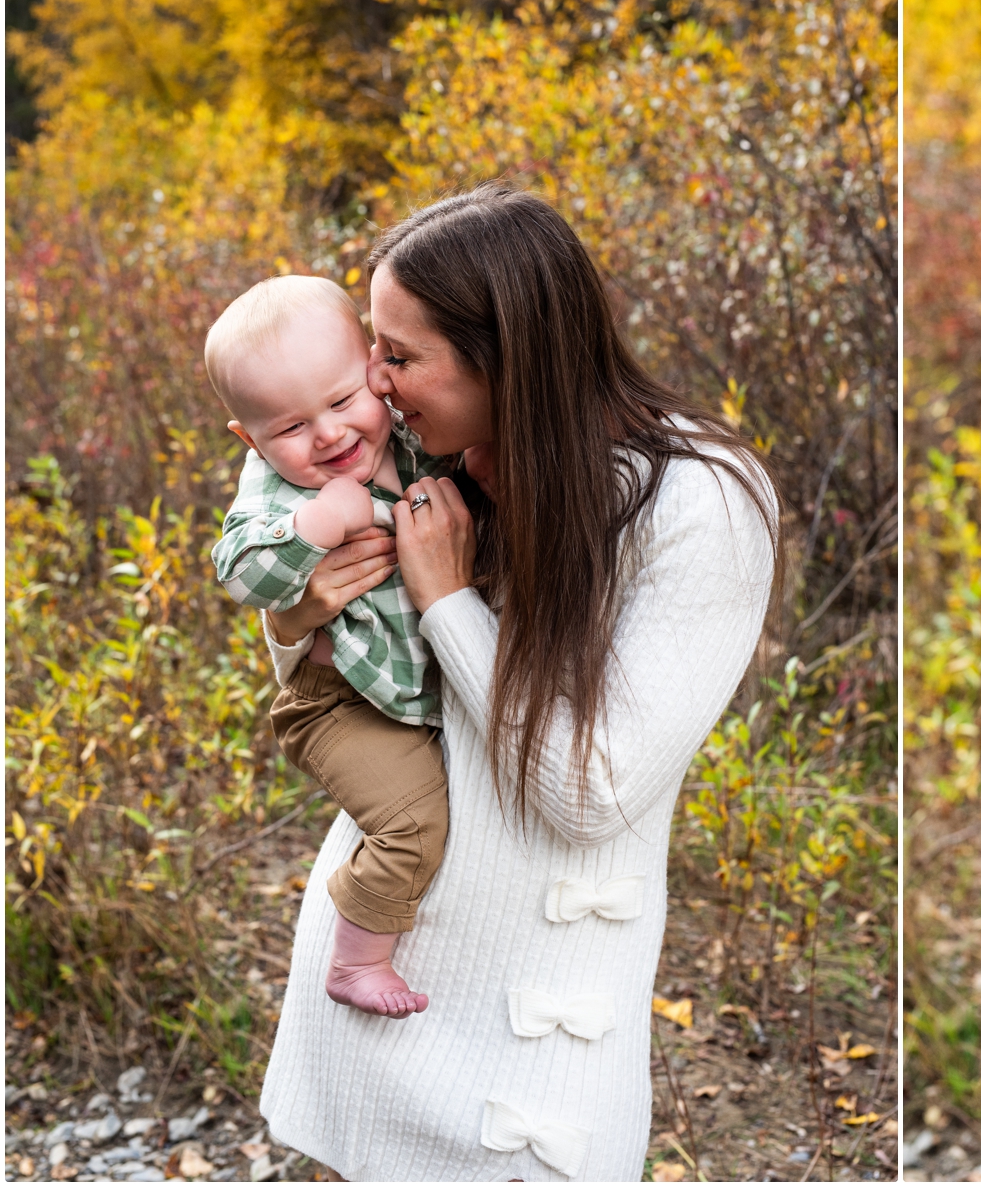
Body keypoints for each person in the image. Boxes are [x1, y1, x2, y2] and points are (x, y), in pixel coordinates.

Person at [257, 185, 778, 1182]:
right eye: (375, 343)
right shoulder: (424, 462)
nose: (372, 377)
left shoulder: (699, 502)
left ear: (507, 354)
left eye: (400, 355)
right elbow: (331, 683)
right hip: (386, 965)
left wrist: (449, 599)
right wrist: (297, 613)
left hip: (538, 1019)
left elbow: (595, 791)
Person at [207, 275, 451, 1019]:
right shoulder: (280, 495)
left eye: (343, 401)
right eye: (289, 427)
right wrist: (317, 522)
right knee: (413, 823)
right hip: (338, 703)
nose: (329, 434)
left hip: (411, 686)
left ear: (376, 370)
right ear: (251, 440)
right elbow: (243, 573)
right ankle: (355, 960)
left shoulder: (408, 437)